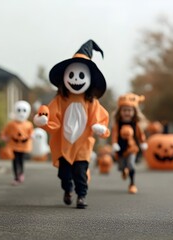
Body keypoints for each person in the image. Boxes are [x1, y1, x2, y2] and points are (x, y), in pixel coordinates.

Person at [34, 40, 110, 208]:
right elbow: (53, 119)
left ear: (89, 79)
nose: (76, 79)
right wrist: (44, 121)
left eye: (81, 76)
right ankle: (68, 189)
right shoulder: (60, 100)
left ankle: (81, 196)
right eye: (72, 75)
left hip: (83, 145)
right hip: (64, 145)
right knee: (64, 174)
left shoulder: (91, 102)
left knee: (80, 173)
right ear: (65, 77)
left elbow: (98, 119)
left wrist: (99, 127)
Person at [111, 93, 148, 194]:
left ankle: (132, 184)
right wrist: (114, 144)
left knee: (131, 165)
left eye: (129, 110)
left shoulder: (135, 124)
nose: (127, 112)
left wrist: (143, 142)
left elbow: (141, 135)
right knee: (122, 166)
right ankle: (124, 170)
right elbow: (114, 135)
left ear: (134, 111)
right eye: (124, 110)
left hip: (132, 148)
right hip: (120, 149)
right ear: (120, 111)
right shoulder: (117, 125)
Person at [1, 100, 34, 185]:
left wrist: (32, 136)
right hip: (14, 145)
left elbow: (31, 133)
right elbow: (4, 132)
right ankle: (16, 177)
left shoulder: (29, 124)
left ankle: (21, 173)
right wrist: (4, 137)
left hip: (23, 146)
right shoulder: (11, 124)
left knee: (21, 160)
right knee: (15, 160)